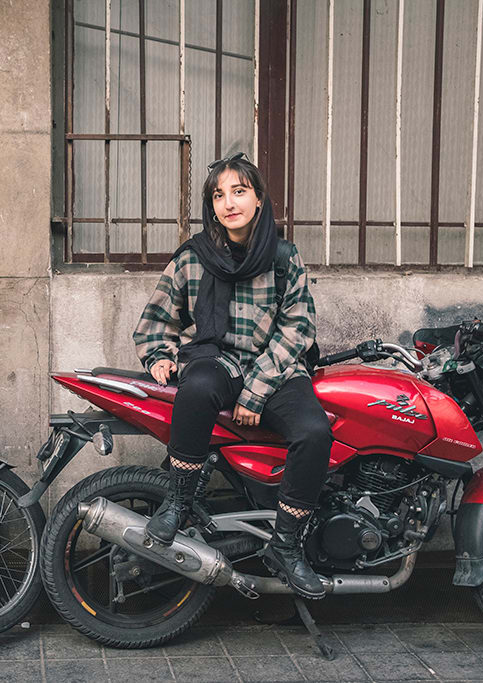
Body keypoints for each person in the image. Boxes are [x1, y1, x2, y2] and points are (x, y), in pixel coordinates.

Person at [132, 153, 332, 600]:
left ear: (258, 200)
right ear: (211, 207)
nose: (229, 202)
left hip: (277, 373)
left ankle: (285, 546)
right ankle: (180, 502)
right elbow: (155, 321)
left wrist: (257, 391)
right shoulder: (192, 258)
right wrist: (159, 355)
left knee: (315, 431)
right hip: (216, 360)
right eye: (218, 195)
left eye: (239, 191)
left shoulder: (283, 258)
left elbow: (297, 328)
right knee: (197, 386)